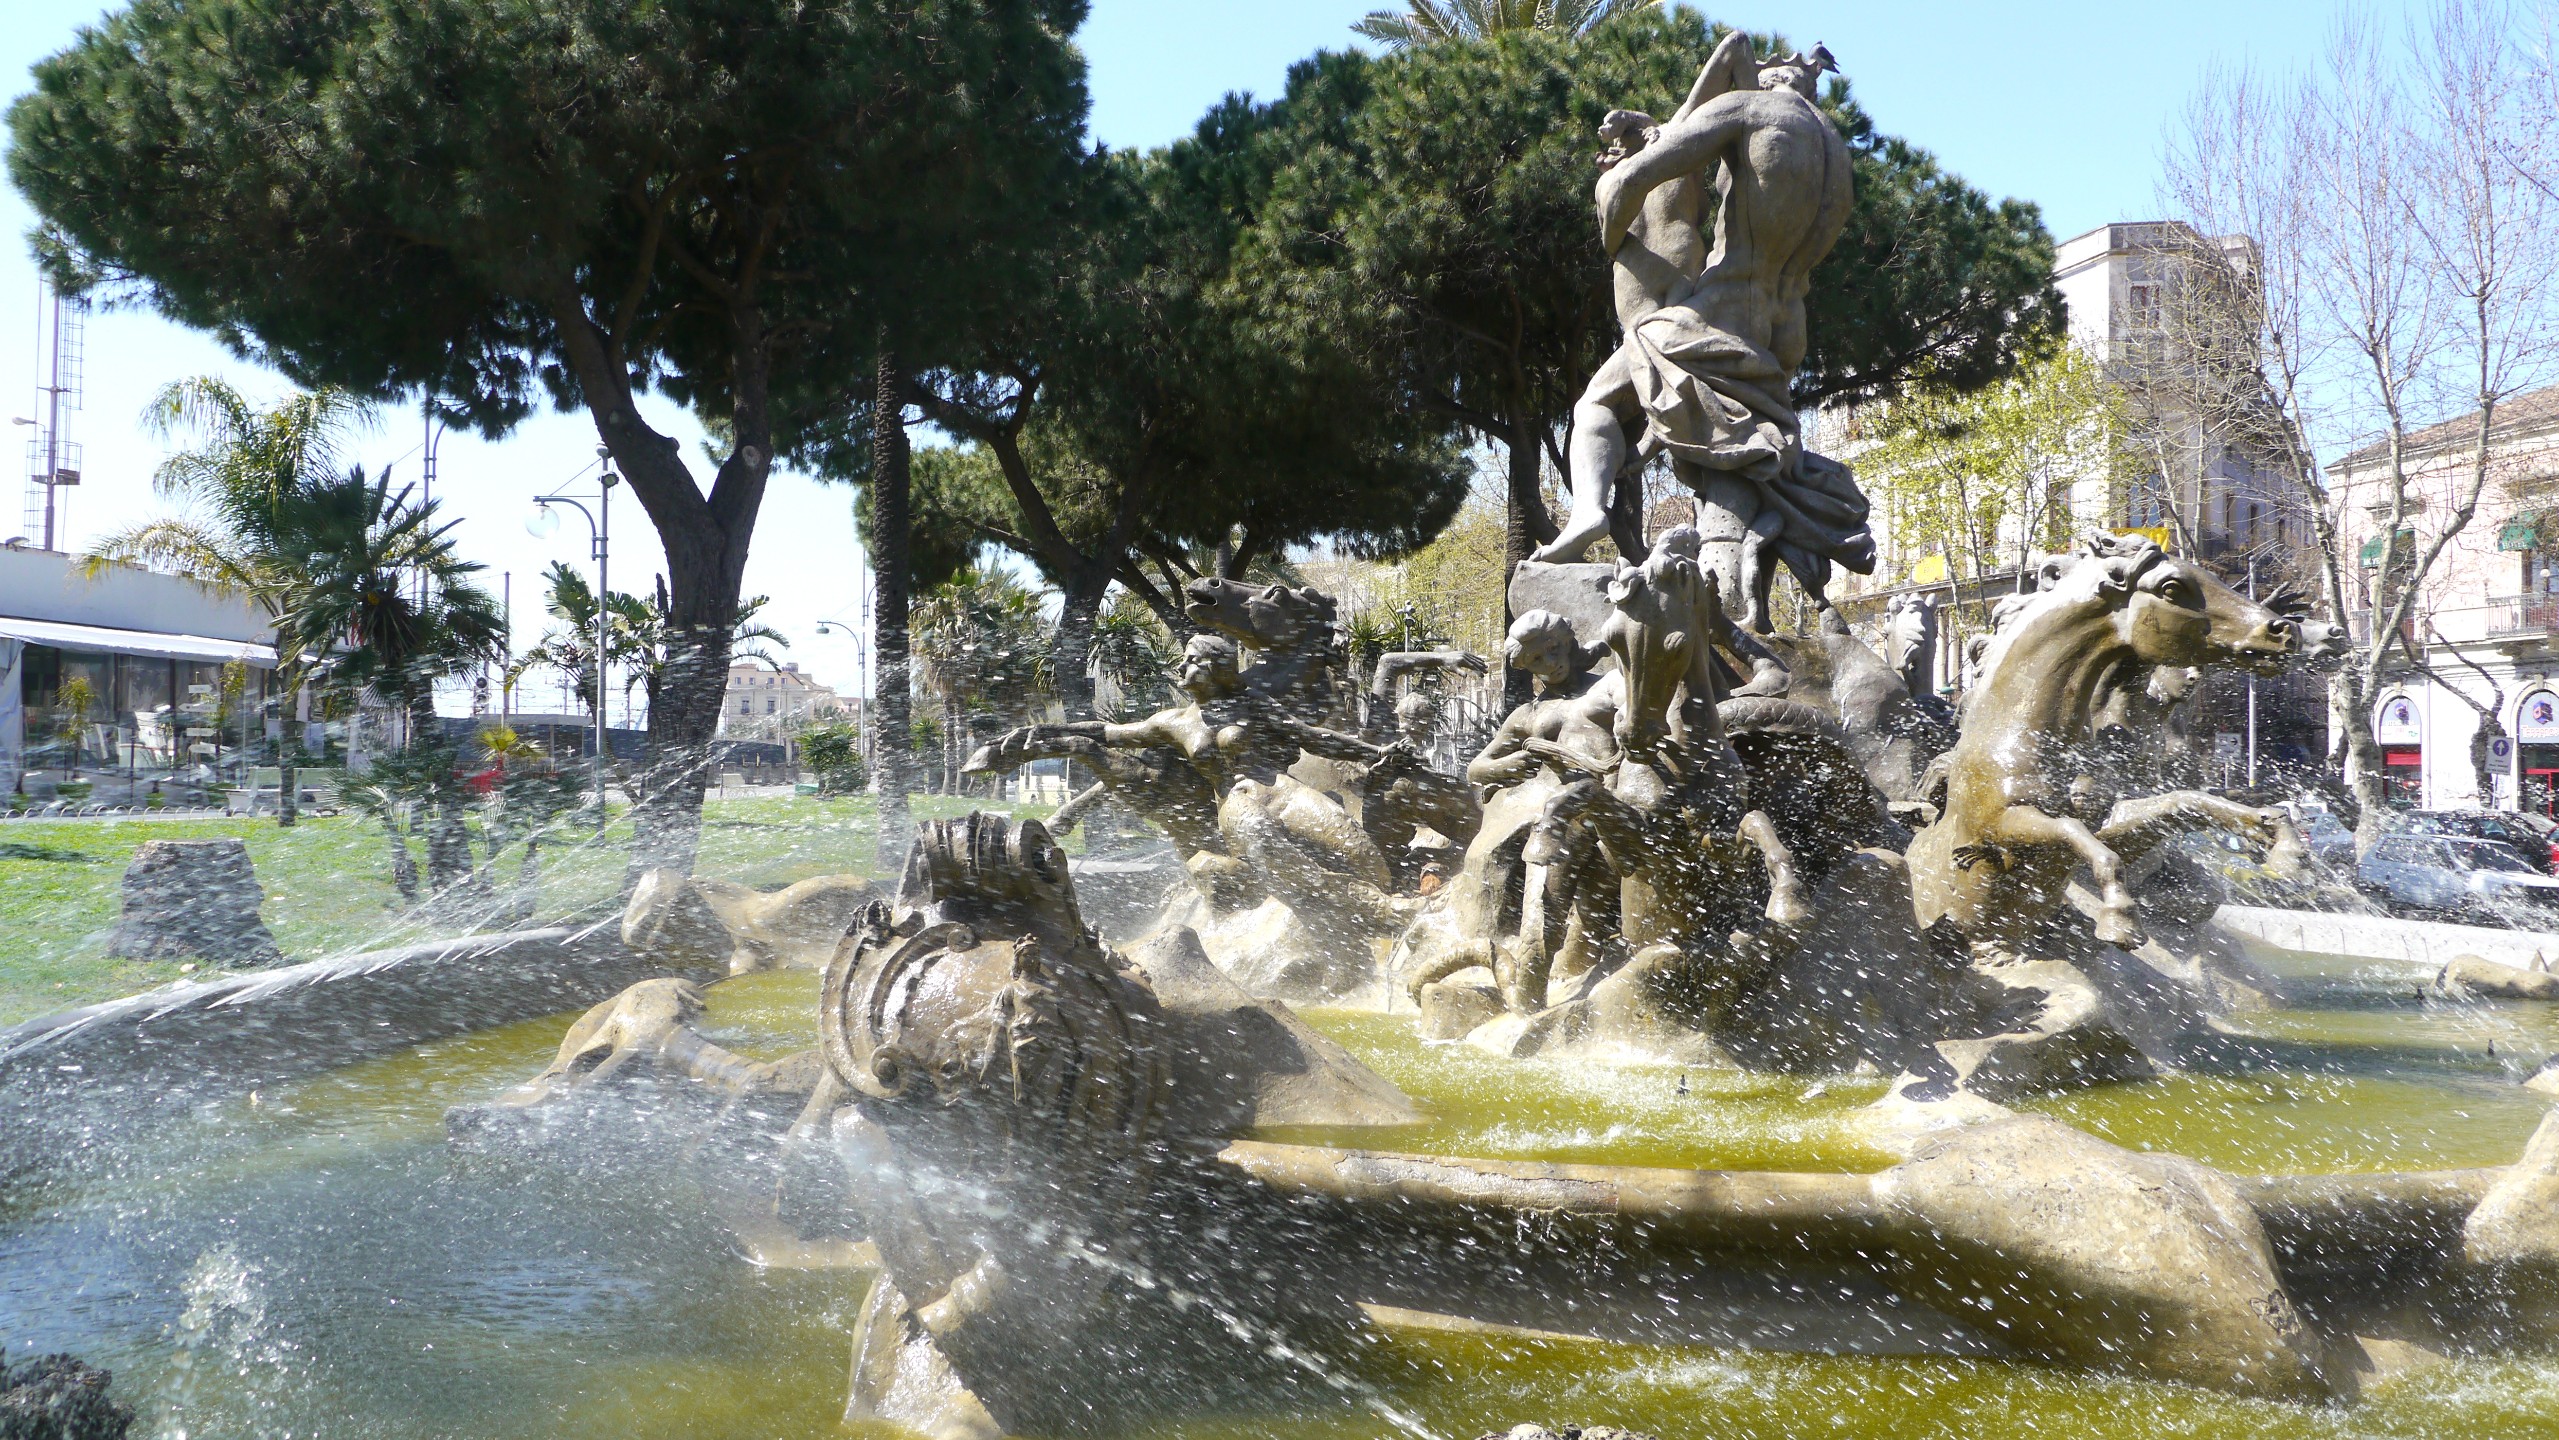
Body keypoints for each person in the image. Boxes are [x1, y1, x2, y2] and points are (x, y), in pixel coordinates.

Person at [1536, 34, 1874, 634]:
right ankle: (1744, 610)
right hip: (1786, 326)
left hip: (1725, 309)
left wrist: (1611, 210)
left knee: (1596, 403)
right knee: (1735, 472)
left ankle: (1588, 512)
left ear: (1766, 80)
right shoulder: (1834, 149)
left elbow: (1640, 177)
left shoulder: (1748, 109)